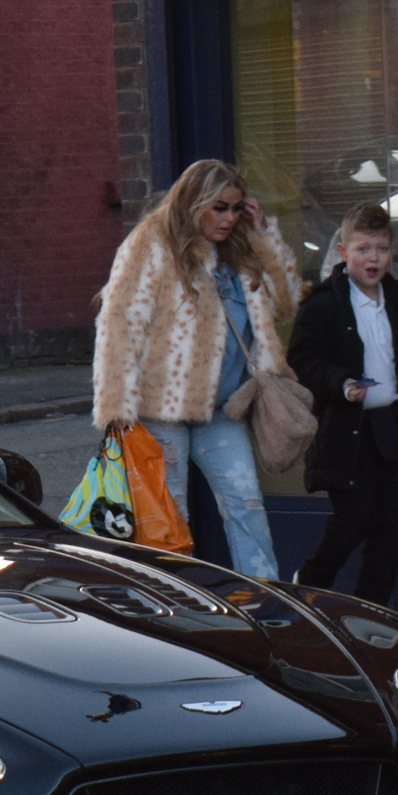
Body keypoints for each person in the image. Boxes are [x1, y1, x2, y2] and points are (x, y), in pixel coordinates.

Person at [93, 157, 297, 578]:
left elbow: (285, 304)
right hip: (161, 412)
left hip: (223, 411)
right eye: (218, 207)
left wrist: (264, 237)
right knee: (170, 514)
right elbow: (119, 322)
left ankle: (267, 599)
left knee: (246, 502)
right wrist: (117, 407)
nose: (227, 218)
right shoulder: (151, 241)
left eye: (236, 207)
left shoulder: (241, 248)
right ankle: (174, 606)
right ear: (193, 202)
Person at [288, 203, 398, 604]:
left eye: (382, 250)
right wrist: (340, 383)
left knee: (392, 526)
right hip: (347, 429)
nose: (373, 259)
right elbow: (302, 361)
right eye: (362, 249)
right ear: (342, 251)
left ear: (392, 252)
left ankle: (373, 611)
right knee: (353, 519)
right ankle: (308, 584)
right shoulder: (323, 304)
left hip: (392, 424)